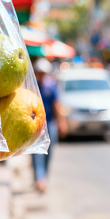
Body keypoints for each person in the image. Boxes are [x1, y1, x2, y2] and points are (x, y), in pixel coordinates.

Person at [31, 58, 66, 192]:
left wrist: (61, 122)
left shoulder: (51, 86)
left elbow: (57, 105)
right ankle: (39, 178)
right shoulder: (32, 86)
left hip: (50, 123)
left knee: (48, 152)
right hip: (35, 125)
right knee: (36, 152)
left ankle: (44, 177)